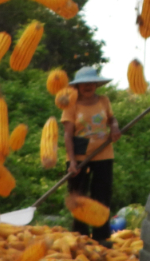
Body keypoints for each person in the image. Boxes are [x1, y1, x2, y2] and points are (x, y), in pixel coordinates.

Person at [63, 67, 122, 243]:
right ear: (77, 87)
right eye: (83, 84)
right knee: (79, 199)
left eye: (91, 83)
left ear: (96, 84)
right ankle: (80, 238)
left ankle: (101, 237)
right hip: (79, 158)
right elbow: (67, 134)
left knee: (102, 197)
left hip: (103, 155)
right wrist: (72, 161)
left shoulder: (103, 100)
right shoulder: (71, 104)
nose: (87, 86)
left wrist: (115, 127)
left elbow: (112, 119)